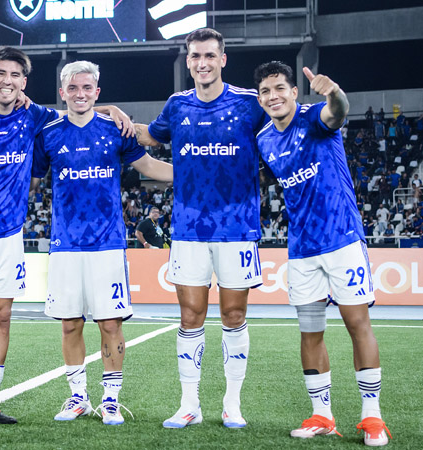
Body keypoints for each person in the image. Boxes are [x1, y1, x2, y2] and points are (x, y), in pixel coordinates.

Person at [0, 47, 133, 430]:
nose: (7, 80)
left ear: (24, 83)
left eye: (15, 75)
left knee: (2, 316)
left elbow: (78, 112)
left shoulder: (34, 115)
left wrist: (111, 110)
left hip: (10, 233)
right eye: (1, 73)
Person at [134, 28, 266, 429]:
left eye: (210, 55)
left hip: (238, 228)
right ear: (188, 61)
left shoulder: (249, 104)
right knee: (190, 316)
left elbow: (284, 124)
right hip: (189, 229)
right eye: (195, 56)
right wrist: (114, 119)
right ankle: (189, 404)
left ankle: (232, 403)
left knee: (233, 313)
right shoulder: (176, 105)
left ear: (223, 59)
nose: (202, 63)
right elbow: (149, 137)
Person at [254, 61, 390, 446]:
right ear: (260, 98)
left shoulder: (315, 117)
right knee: (310, 332)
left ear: (295, 92)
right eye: (265, 91)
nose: (273, 96)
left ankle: (372, 418)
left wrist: (334, 92)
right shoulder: (264, 139)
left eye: (280, 88)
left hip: (343, 240)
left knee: (356, 324)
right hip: (301, 250)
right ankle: (323, 415)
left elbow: (339, 111)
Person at [31, 61, 172, 425]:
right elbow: (27, 180)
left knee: (110, 324)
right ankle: (78, 396)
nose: (80, 94)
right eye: (73, 88)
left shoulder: (116, 129)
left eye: (87, 88)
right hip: (65, 245)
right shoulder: (48, 133)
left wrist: (197, 174)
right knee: (69, 324)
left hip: (107, 244)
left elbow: (151, 168)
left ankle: (110, 399)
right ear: (63, 93)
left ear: (97, 91)